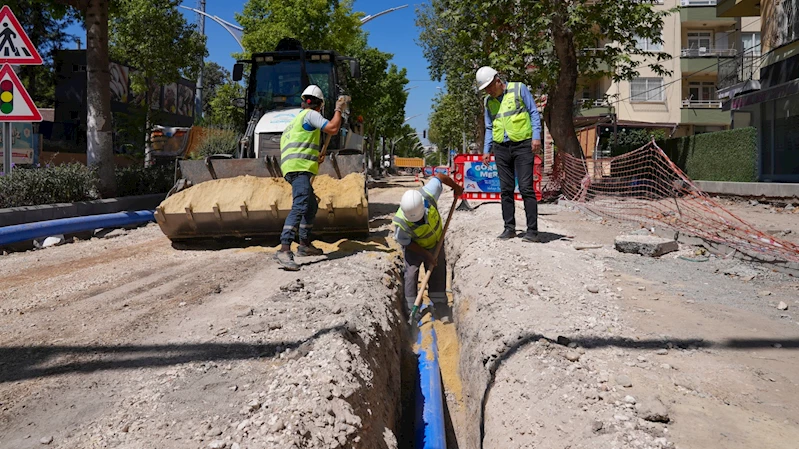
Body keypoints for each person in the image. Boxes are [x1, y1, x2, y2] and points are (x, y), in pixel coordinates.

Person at [274, 85, 349, 271]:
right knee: (300, 205)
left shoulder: (294, 121)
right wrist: (339, 110)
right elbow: (332, 128)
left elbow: (298, 146)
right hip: (300, 169)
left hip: (292, 168)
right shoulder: (310, 114)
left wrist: (315, 156)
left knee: (311, 204)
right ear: (320, 105)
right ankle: (284, 248)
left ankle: (305, 245)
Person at [476, 66, 542, 242]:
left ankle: (532, 231)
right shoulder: (488, 102)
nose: (488, 91)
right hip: (501, 147)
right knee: (506, 189)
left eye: (490, 86)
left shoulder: (519, 88)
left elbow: (534, 112)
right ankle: (509, 228)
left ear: (498, 80)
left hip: (523, 145)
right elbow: (489, 127)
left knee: (526, 188)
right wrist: (486, 150)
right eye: (485, 89)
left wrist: (536, 136)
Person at [393, 173, 463, 319]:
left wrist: (456, 187)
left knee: (438, 270)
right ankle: (411, 309)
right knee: (411, 273)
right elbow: (405, 242)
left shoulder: (428, 194)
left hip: (436, 241)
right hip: (414, 246)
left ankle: (440, 305)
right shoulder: (401, 223)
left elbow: (439, 177)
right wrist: (427, 255)